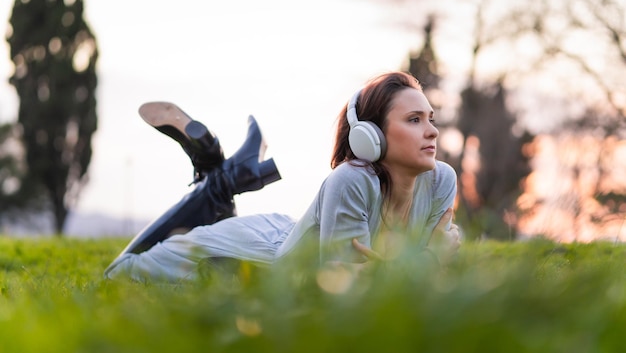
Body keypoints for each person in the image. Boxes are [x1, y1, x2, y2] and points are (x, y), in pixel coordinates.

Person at [104, 71, 461, 282]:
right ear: (370, 136)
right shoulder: (351, 180)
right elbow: (343, 290)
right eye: (414, 120)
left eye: (431, 118)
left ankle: (220, 171)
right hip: (256, 252)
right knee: (121, 272)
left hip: (288, 231)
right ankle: (220, 182)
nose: (431, 131)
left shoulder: (441, 180)